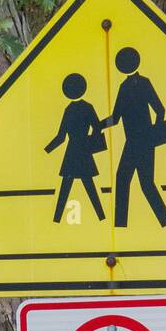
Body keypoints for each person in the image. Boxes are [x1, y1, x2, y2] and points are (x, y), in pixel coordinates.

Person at [99, 46, 166, 228]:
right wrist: (152, 134)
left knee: (135, 182)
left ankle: (160, 222)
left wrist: (98, 125)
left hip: (138, 142)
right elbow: (158, 111)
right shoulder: (135, 84)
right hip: (138, 142)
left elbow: (116, 118)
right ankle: (126, 225)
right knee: (135, 181)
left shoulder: (131, 86)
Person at [45, 73, 106, 223]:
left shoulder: (69, 110)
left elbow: (61, 137)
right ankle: (101, 217)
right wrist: (92, 140)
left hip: (72, 152)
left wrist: (47, 150)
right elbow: (97, 127)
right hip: (84, 150)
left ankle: (57, 219)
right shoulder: (88, 107)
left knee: (67, 186)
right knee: (88, 185)